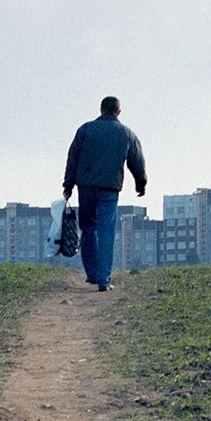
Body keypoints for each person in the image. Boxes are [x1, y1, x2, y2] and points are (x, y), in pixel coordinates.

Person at [62, 96, 147, 291]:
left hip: (86, 188)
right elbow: (137, 161)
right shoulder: (127, 134)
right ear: (118, 112)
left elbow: (72, 157)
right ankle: (104, 280)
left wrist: (68, 184)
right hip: (109, 189)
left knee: (88, 229)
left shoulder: (84, 130)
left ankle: (92, 274)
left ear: (101, 110)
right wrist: (140, 183)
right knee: (106, 232)